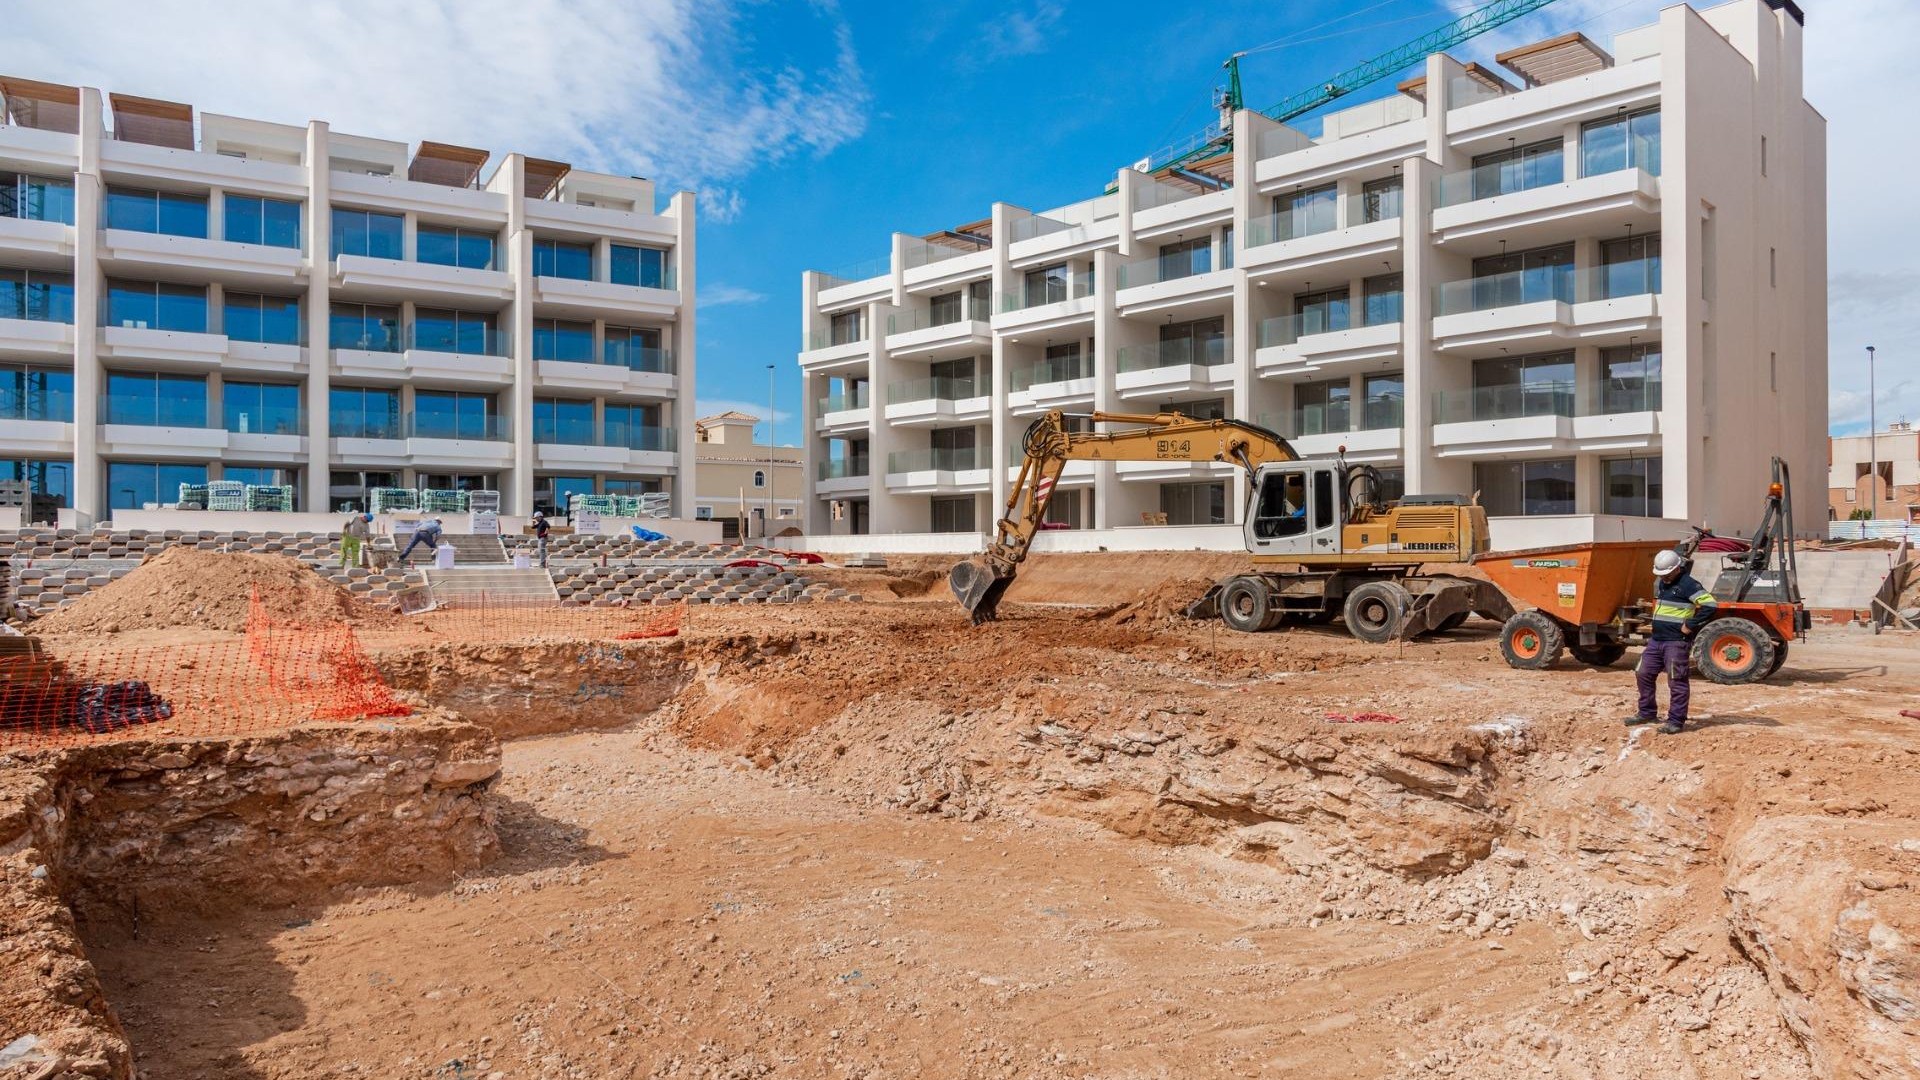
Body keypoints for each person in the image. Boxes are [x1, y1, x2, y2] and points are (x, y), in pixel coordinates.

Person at [1628, 548, 1718, 735]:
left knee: (1677, 681)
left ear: (1677, 568)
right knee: (1643, 673)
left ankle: (1676, 721)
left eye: (1667, 574)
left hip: (1676, 642)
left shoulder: (1689, 584)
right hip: (1657, 640)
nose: (1664, 578)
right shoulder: (1662, 583)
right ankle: (1647, 712)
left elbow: (1710, 605)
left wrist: (1690, 624)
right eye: (1661, 574)